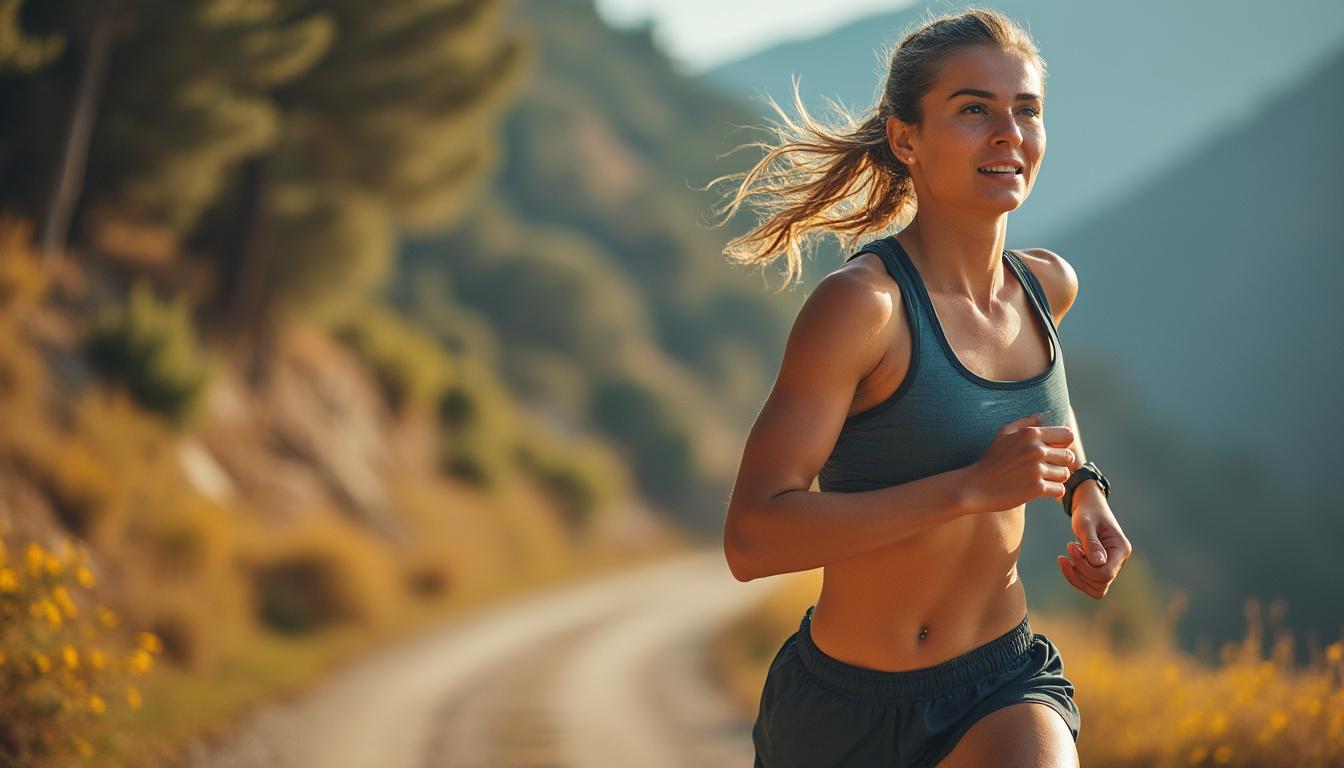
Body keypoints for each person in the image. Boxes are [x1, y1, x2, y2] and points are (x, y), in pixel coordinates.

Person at [714, 7, 1134, 767]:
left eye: (1026, 110)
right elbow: (751, 538)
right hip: (842, 712)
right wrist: (968, 489)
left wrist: (1086, 496)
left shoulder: (1047, 287)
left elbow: (1051, 429)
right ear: (906, 138)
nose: (1009, 132)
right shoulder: (863, 307)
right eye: (974, 110)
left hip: (999, 684)